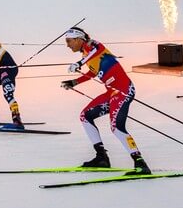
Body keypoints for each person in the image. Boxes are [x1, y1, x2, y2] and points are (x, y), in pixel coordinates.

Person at [60, 27, 150, 174]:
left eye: (69, 41)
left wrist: (79, 63)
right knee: (85, 116)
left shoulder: (93, 45)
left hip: (123, 90)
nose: (68, 45)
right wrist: (74, 82)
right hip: (111, 92)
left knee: (117, 128)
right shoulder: (86, 53)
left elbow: (96, 50)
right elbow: (93, 72)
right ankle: (101, 157)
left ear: (78, 39)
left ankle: (140, 163)